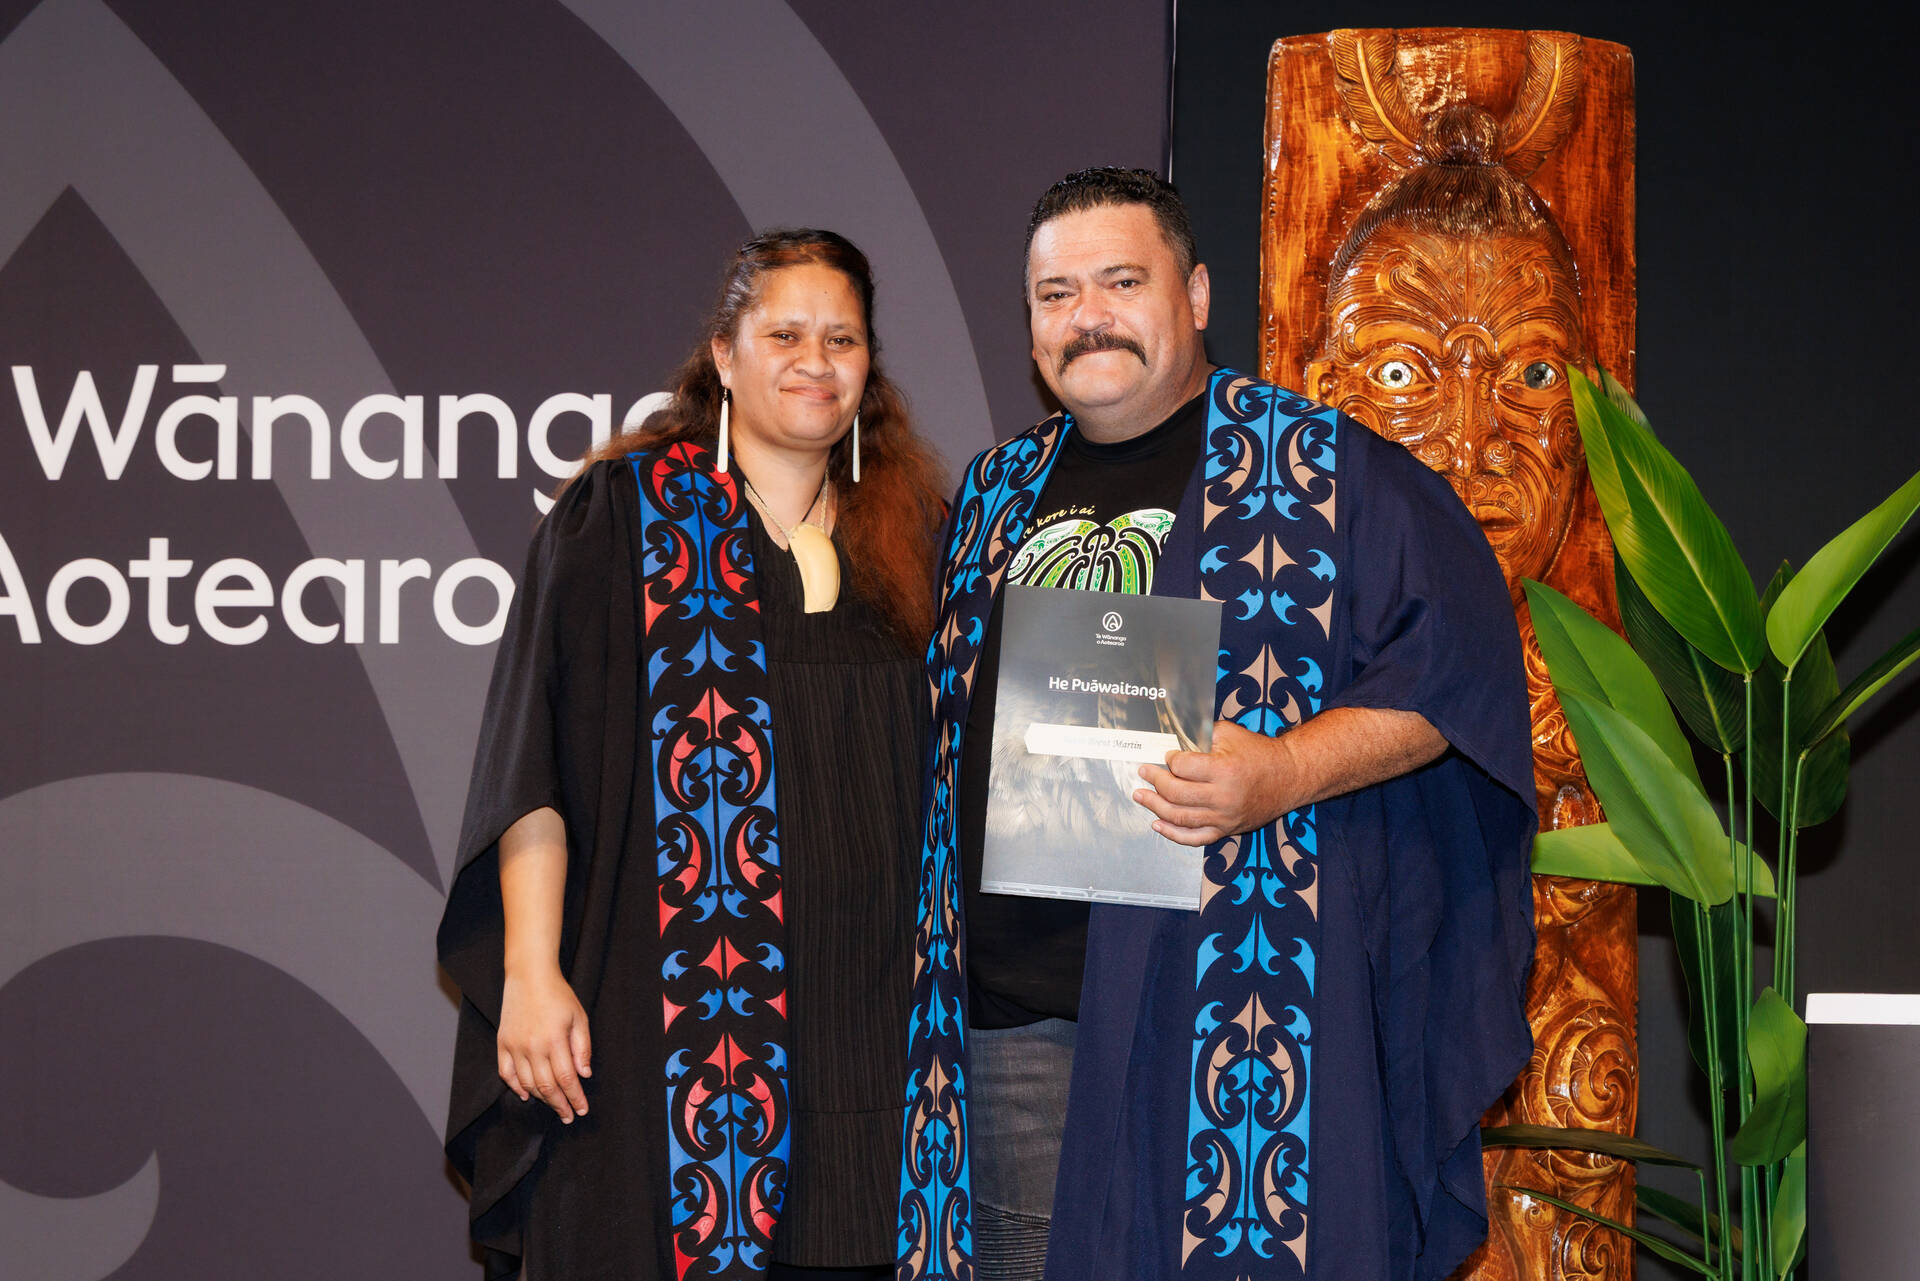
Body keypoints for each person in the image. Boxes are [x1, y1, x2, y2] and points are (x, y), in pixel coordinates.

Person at [896, 169, 1537, 1281]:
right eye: (1055, 295)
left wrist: (1283, 769)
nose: (1087, 316)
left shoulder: (1323, 472)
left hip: (1234, 1018)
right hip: (1015, 1036)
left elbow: (1456, 675)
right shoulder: (994, 494)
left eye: (1121, 281)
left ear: (1194, 295)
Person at [438, 228, 945, 1281]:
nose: (815, 362)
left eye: (842, 339)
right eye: (785, 335)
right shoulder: (622, 519)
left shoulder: (922, 538)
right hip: (668, 1038)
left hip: (880, 1044)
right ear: (725, 353)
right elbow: (532, 760)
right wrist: (530, 971)